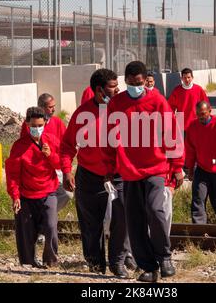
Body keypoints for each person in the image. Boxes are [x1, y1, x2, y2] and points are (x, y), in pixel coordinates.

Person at [103, 61, 184, 283]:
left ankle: (164, 257)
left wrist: (177, 166)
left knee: (156, 210)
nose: (135, 87)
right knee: (135, 221)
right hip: (128, 171)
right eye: (130, 83)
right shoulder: (117, 103)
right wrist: (109, 168)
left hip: (156, 167)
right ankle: (148, 267)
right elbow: (109, 138)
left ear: (146, 81)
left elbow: (171, 133)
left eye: (138, 83)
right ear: (125, 81)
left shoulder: (157, 101)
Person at [60, 69, 135, 278]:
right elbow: (67, 146)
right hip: (89, 176)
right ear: (100, 90)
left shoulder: (125, 110)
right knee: (91, 225)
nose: (118, 89)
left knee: (123, 219)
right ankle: (96, 266)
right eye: (113, 86)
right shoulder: (82, 114)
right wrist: (66, 171)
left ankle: (118, 261)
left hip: (120, 175)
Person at [6, 107, 60, 268]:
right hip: (26, 195)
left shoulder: (51, 140)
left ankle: (50, 261)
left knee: (51, 226)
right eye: (33, 126)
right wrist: (15, 196)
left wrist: (50, 155)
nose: (37, 129)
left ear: (45, 123)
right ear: (27, 124)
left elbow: (60, 164)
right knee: (25, 231)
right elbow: (13, 174)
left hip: (48, 191)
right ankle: (28, 262)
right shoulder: (19, 146)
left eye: (40, 125)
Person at [168, 68, 210, 132]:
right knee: (182, 142)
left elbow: (206, 106)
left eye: (189, 77)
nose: (187, 80)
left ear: (192, 77)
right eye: (184, 78)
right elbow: (170, 108)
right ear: (181, 78)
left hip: (196, 122)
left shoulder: (198, 89)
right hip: (181, 123)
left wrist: (206, 120)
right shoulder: (177, 90)